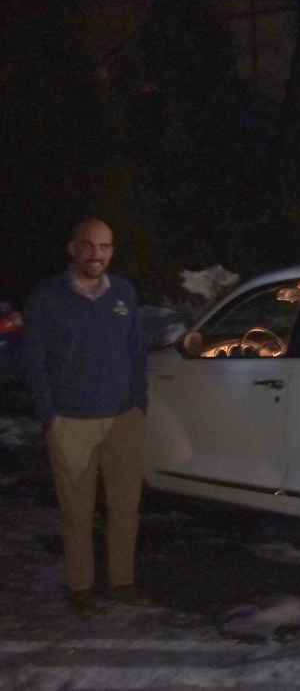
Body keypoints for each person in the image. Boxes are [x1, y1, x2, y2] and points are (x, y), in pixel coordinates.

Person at [22, 218, 150, 617]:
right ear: (72, 248)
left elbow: (136, 351)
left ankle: (122, 582)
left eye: (106, 247)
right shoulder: (47, 297)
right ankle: (81, 588)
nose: (98, 255)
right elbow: (33, 362)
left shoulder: (124, 292)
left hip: (122, 420)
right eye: (90, 246)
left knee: (125, 506)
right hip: (71, 422)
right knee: (77, 511)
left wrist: (137, 404)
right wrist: (50, 417)